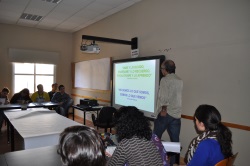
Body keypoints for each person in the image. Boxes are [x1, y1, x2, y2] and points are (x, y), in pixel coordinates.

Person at [153, 60, 183, 165]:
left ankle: (154, 161)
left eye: (161, 68)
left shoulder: (165, 80)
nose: (161, 70)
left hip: (166, 113)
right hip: (177, 114)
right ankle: (174, 163)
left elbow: (164, 98)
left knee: (155, 138)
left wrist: (163, 110)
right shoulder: (179, 80)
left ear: (166, 70)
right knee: (175, 142)